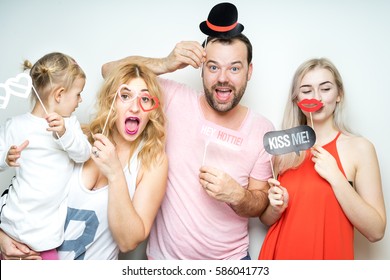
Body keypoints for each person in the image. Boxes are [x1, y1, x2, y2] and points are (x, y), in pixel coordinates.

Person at [101, 3, 274, 260]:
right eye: (213, 67)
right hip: (164, 263)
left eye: (234, 68)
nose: (223, 78)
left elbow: (261, 205)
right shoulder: (173, 98)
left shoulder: (262, 129)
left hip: (231, 262)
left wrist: (238, 195)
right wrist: (166, 62)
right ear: (202, 69)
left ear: (249, 71)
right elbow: (108, 72)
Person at [0, 62, 168, 260]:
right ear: (111, 101)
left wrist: (115, 173)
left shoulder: (152, 160)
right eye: (125, 96)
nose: (135, 108)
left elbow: (128, 241)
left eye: (145, 99)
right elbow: (22, 188)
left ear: (152, 109)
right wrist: (2, 235)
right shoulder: (73, 137)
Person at [258, 58, 386, 260]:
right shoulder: (283, 150)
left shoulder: (360, 148)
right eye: (307, 91)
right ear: (296, 99)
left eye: (325, 89)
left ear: (339, 95)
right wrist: (274, 209)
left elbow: (376, 231)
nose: (316, 97)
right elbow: (266, 220)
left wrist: (336, 177)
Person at [0, 52, 91, 259]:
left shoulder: (70, 124)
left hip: (47, 236)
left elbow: (83, 154)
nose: (80, 100)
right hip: (12, 226)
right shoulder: (16, 125)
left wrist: (64, 134)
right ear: (59, 95)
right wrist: (6, 157)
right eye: (78, 94)